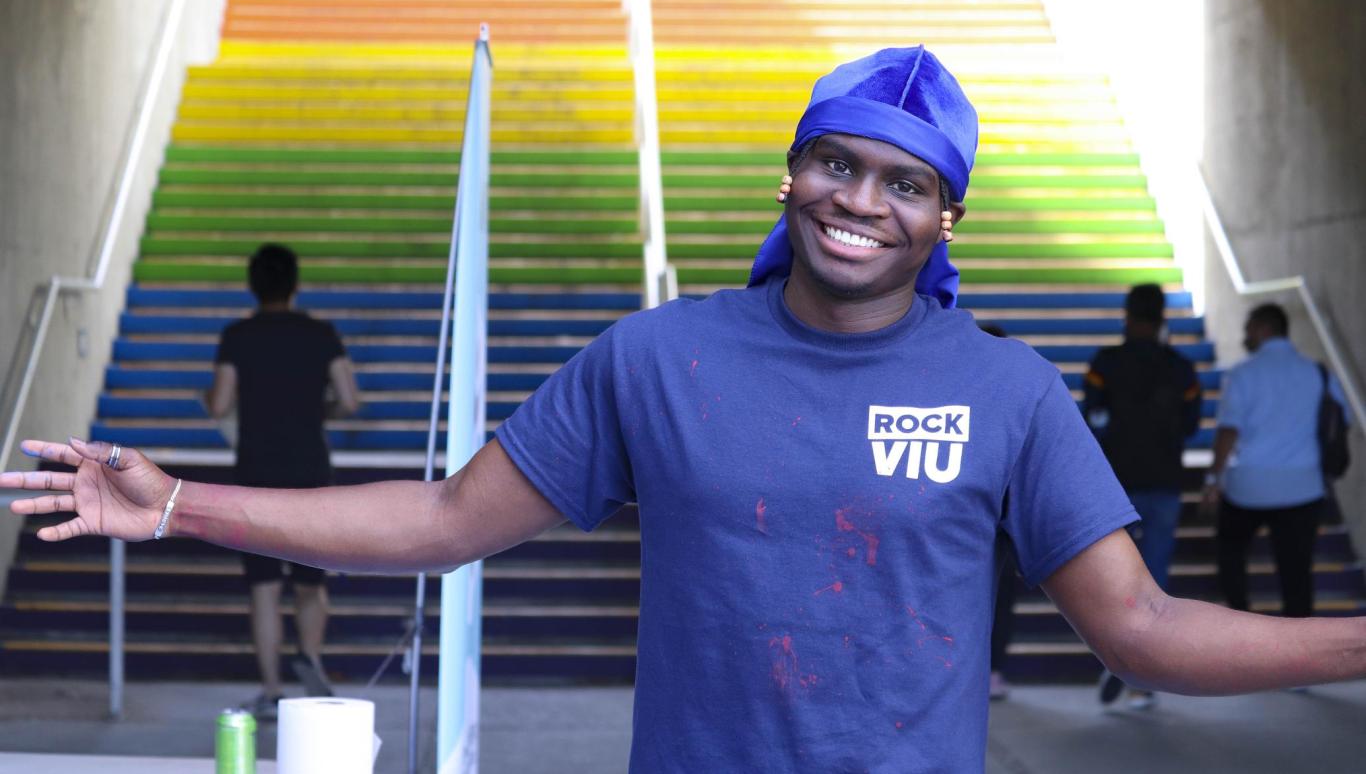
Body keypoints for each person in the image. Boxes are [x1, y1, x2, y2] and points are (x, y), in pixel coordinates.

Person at [9, 47, 1366, 774]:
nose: (858, 199)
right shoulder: (656, 358)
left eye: (902, 182)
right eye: (832, 163)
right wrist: (180, 500)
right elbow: (439, 518)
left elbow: (1140, 625)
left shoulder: (1003, 387)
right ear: (790, 178)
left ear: (944, 217)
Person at [205, 243, 360, 718]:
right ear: (295, 284)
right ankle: (309, 660)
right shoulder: (320, 334)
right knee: (312, 581)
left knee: (264, 586)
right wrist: (321, 410)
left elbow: (219, 404)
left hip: (256, 472)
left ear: (253, 286)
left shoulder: (237, 336)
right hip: (309, 467)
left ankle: (272, 691)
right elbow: (350, 400)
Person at [1083, 283, 1201, 709]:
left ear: (1127, 315)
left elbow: (1091, 421)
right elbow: (1190, 425)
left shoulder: (1105, 365)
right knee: (1156, 582)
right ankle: (1142, 677)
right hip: (1166, 483)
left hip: (1115, 487)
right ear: (1163, 318)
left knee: (1112, 579)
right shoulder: (1182, 369)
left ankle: (1117, 655)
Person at [1204, 303, 1349, 624]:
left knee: (1231, 554)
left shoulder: (1243, 373)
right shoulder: (1317, 372)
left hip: (1248, 488)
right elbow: (1342, 419)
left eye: (1249, 328)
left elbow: (1229, 431)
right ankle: (1299, 653)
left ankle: (1241, 624)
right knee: (1296, 572)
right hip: (1303, 488)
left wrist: (1213, 479)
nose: (1245, 335)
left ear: (1264, 328)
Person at [978, 323, 1018, 702]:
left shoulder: (1017, 405)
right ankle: (992, 670)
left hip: (998, 531)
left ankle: (990, 670)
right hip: (991, 532)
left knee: (999, 598)